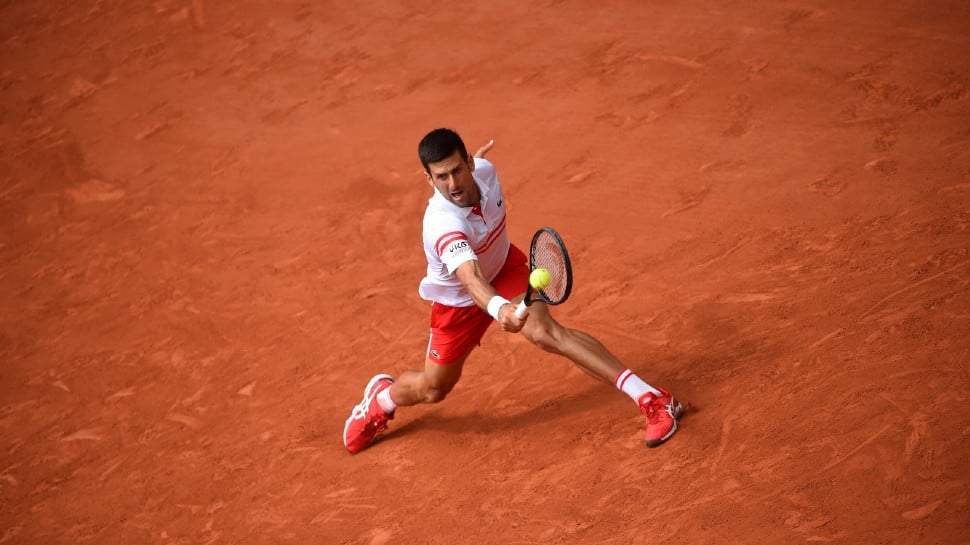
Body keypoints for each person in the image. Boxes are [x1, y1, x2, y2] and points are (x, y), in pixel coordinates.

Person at [342, 128, 683, 454]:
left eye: (457, 171)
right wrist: (497, 308)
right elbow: (470, 276)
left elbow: (477, 204)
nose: (453, 184)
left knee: (544, 333)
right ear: (429, 181)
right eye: (441, 177)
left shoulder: (486, 172)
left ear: (470, 164)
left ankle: (652, 398)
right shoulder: (441, 223)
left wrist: (502, 302)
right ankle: (381, 400)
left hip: (504, 268)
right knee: (432, 389)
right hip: (459, 302)